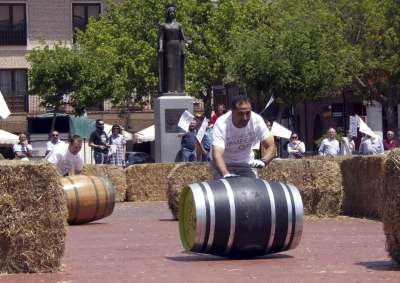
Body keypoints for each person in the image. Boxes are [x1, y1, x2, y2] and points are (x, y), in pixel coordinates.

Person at [212, 95, 276, 179]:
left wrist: (264, 161)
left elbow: (271, 146)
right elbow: (217, 154)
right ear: (232, 112)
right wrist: (226, 175)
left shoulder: (256, 120)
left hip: (246, 165)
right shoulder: (221, 123)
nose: (245, 118)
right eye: (240, 114)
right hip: (224, 165)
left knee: (253, 190)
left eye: (248, 113)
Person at [158, 4, 189, 94]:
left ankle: (178, 89)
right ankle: (169, 89)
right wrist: (160, 47)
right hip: (168, 47)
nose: (171, 13)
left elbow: (183, 37)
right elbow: (161, 38)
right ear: (167, 13)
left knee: (177, 69)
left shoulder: (179, 25)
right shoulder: (163, 25)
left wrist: (186, 44)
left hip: (177, 47)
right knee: (169, 67)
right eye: (170, 11)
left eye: (173, 11)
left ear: (175, 13)